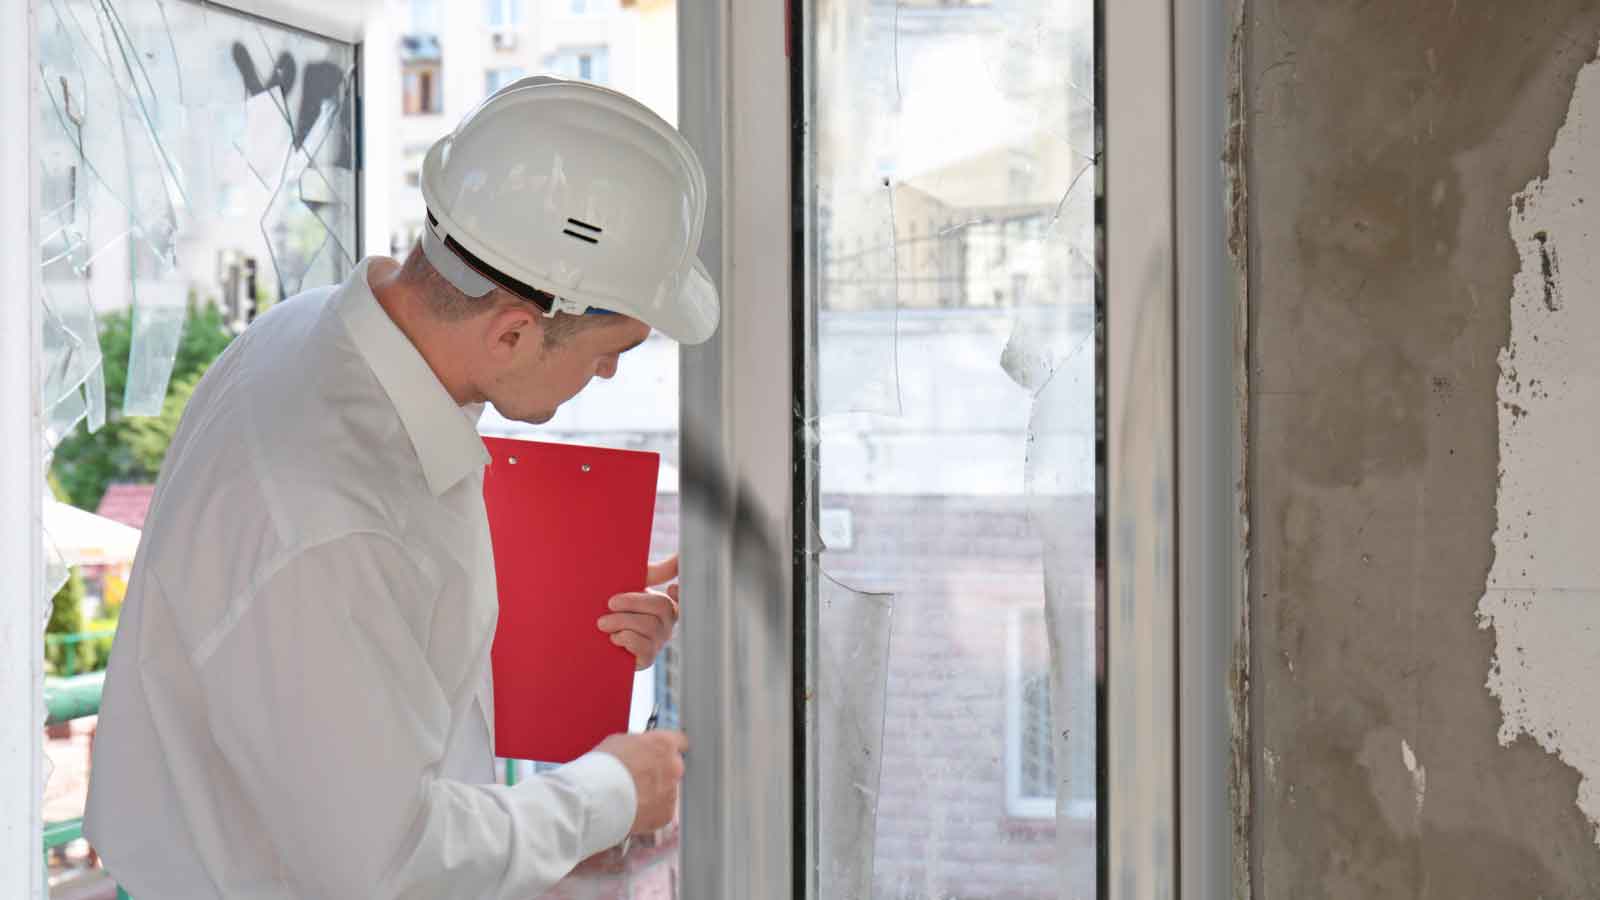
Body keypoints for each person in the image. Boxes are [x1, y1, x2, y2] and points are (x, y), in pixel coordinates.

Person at [84, 76, 719, 898]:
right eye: (613, 349)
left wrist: (561, 613)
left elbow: (359, 637)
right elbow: (386, 864)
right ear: (515, 328)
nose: (605, 372)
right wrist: (609, 795)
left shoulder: (309, 334)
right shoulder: (330, 518)